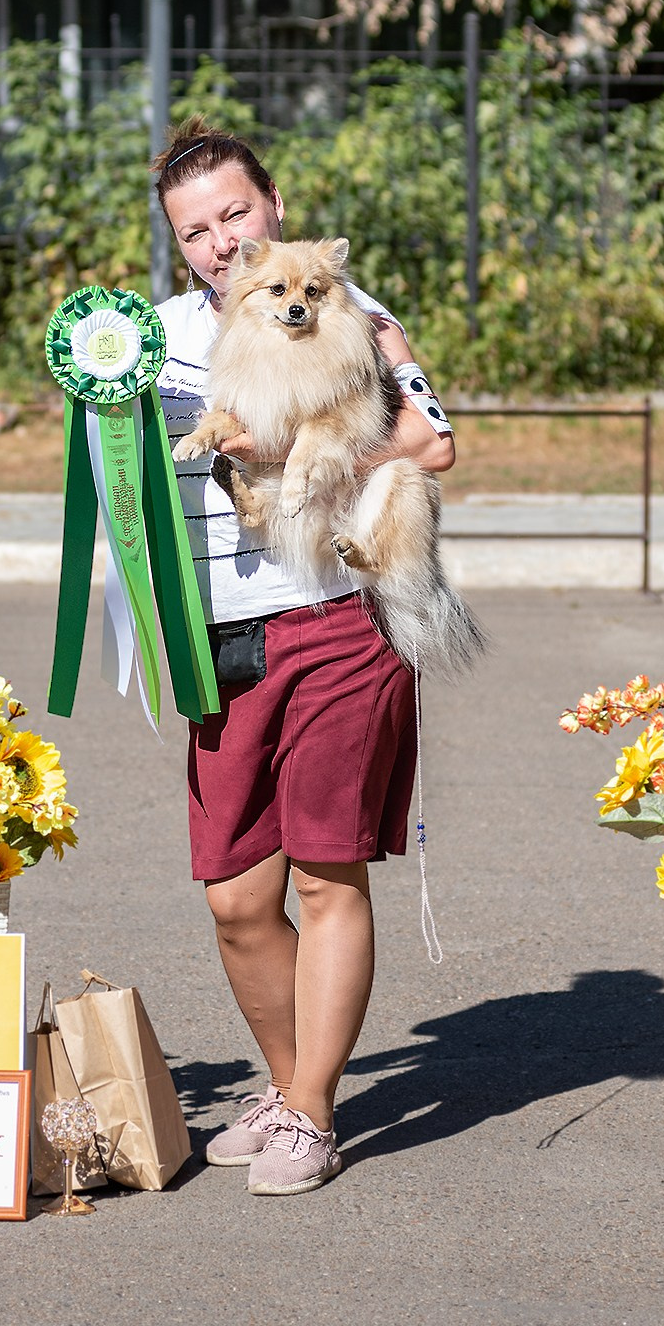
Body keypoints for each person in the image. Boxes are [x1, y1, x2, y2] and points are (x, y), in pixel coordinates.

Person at [150, 116, 456, 1196]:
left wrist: (278, 440)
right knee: (235, 895)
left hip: (336, 616)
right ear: (180, 248)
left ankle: (313, 1112)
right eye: (196, 229)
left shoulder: (357, 316)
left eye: (234, 212)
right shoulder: (150, 335)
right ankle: (289, 1090)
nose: (221, 240)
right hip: (218, 633)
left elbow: (432, 442)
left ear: (273, 207)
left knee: (325, 873)